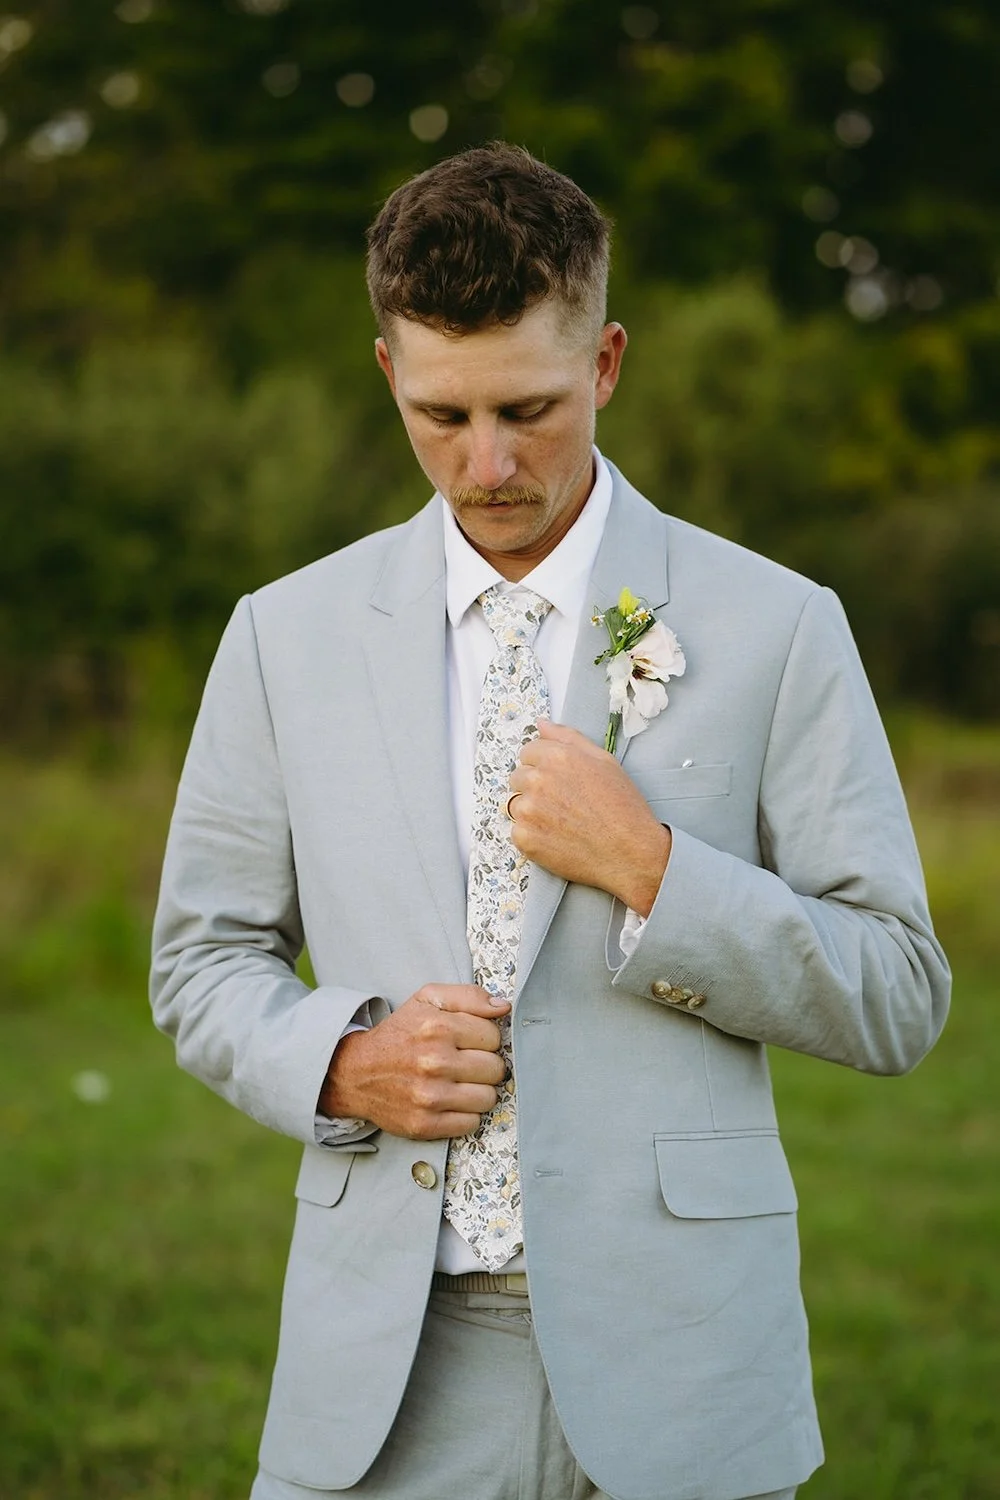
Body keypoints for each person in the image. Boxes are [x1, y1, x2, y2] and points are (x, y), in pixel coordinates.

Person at [150, 143, 950, 1500]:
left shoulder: (777, 624)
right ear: (388, 370)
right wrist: (342, 1066)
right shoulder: (284, 637)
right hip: (392, 1365)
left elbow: (899, 990)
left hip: (686, 1355)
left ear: (610, 363)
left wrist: (656, 873)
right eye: (441, 416)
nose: (488, 464)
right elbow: (200, 961)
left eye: (529, 407)